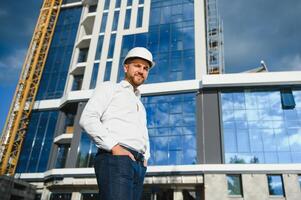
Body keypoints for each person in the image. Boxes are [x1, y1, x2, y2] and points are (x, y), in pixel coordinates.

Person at [79, 47, 155, 200]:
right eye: (137, 66)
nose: (141, 70)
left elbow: (143, 133)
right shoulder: (110, 87)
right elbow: (88, 118)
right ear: (126, 67)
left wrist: (146, 157)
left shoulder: (140, 105)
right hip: (116, 158)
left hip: (138, 165)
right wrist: (114, 147)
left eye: (145, 68)